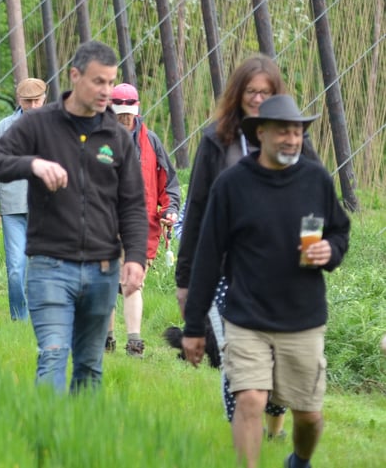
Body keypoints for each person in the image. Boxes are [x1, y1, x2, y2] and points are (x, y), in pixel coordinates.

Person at [183, 95, 350, 468]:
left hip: (302, 318)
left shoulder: (316, 179)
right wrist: (193, 326)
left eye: (297, 132)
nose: (292, 140)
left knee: (309, 416)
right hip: (247, 317)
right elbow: (207, 258)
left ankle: (299, 461)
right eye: (283, 132)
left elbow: (340, 230)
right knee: (250, 400)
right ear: (261, 133)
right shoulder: (232, 185)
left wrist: (331, 250)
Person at [0, 41, 148, 393]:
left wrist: (134, 257)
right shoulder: (40, 124)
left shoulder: (117, 138)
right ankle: (46, 427)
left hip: (103, 270)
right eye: (98, 81)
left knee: (89, 366)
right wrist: (32, 164)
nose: (106, 92)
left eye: (110, 82)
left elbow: (132, 204)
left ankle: (78, 430)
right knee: (53, 355)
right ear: (75, 76)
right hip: (50, 265)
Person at [176, 55, 301, 436]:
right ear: (237, 93)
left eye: (266, 92)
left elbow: (314, 196)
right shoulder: (217, 142)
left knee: (278, 361)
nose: (258, 99)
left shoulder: (293, 139)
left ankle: (275, 426)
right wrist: (185, 279)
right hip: (225, 270)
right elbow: (196, 210)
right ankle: (244, 437)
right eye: (251, 91)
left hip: (279, 272)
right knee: (238, 360)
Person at [103, 82, 180, 357]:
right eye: (119, 113)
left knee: (132, 283)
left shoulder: (151, 142)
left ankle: (134, 342)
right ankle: (106, 339)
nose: (125, 119)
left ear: (136, 110)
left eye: (128, 113)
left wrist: (170, 209)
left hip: (141, 227)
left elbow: (168, 183)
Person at [0, 77, 47, 321]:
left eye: (37, 101)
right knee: (16, 268)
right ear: (20, 100)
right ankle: (19, 318)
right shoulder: (4, 128)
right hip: (12, 209)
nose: (32, 106)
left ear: (44, 99)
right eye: (28, 101)